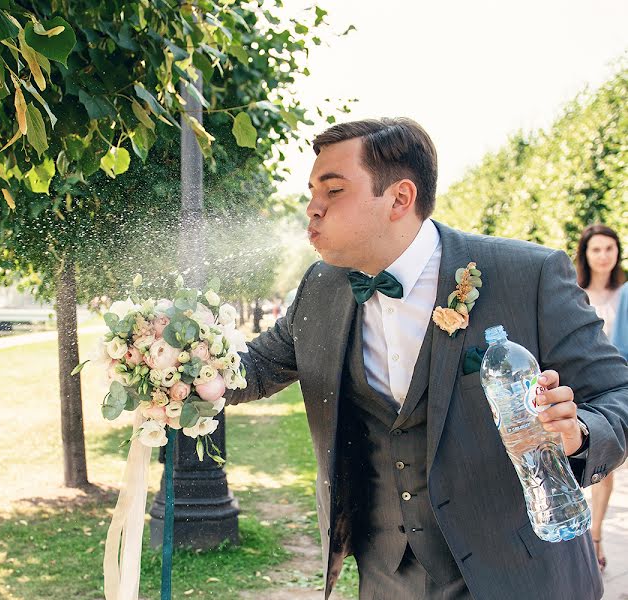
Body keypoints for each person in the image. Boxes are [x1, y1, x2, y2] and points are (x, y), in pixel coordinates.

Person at [227, 118, 628, 600]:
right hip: (386, 578)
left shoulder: (529, 274)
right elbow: (256, 368)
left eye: (333, 190)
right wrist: (180, 362)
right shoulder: (320, 288)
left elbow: (617, 395)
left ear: (399, 198)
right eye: (312, 190)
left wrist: (578, 433)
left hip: (522, 574)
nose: (313, 208)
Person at [575, 224, 627, 572]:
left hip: (618, 385)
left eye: (610, 248)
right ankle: (581, 535)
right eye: (597, 249)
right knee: (581, 456)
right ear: (586, 253)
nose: (604, 256)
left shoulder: (625, 292)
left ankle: (595, 534)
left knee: (605, 461)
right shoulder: (572, 291)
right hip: (581, 384)